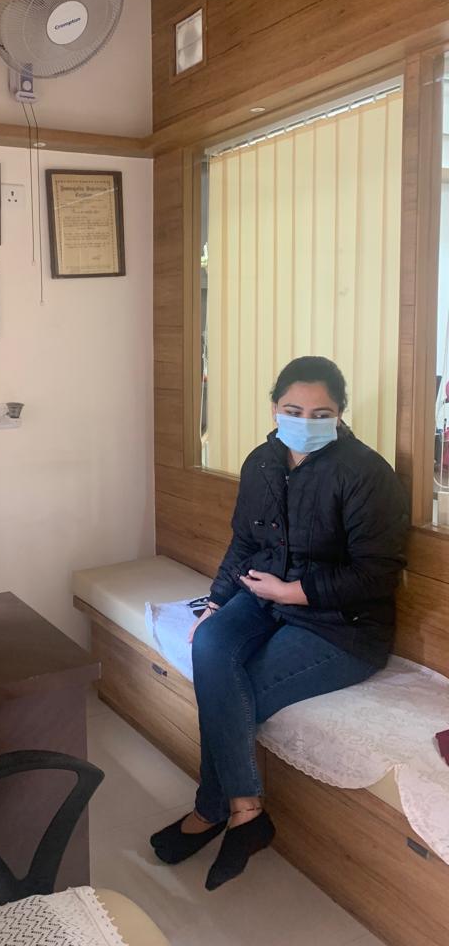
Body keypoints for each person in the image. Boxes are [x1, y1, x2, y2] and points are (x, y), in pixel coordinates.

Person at [150, 356, 408, 890]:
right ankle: (245, 811)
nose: (305, 421)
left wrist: (293, 592)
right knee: (210, 643)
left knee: (236, 688)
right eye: (293, 410)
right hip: (263, 595)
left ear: (340, 414)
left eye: (321, 413)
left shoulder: (366, 473)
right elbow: (244, 542)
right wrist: (216, 604)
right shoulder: (261, 462)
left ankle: (214, 809)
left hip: (341, 624)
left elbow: (377, 573)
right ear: (274, 408)